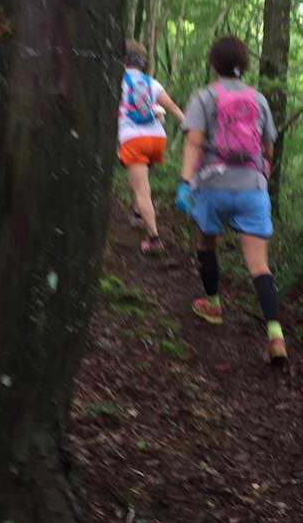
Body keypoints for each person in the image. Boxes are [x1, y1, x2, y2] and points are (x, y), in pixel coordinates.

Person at [176, 35, 287, 364]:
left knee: (205, 243)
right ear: (245, 65)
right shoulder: (258, 99)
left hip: (212, 185)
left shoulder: (204, 96)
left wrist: (185, 182)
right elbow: (268, 148)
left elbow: (194, 143)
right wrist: (261, 176)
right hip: (252, 187)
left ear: (213, 64)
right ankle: (275, 334)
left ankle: (213, 304)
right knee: (259, 264)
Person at [118, 40, 184, 254]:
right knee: (141, 180)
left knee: (141, 189)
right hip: (157, 139)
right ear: (142, 62)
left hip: (133, 139)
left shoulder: (118, 81)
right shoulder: (151, 83)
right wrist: (190, 127)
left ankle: (154, 239)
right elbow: (173, 108)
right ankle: (138, 213)